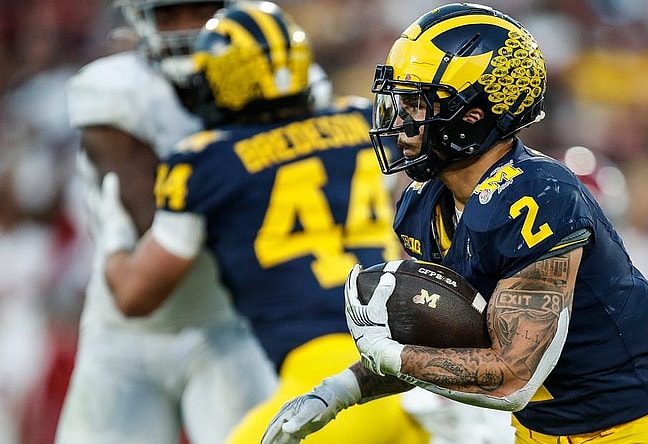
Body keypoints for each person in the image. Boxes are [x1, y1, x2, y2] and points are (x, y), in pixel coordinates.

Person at [262, 3, 648, 444]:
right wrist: (339, 391)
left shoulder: (537, 197)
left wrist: (395, 356)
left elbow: (512, 377)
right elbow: (438, 349)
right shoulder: (422, 204)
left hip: (634, 431)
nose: (399, 122)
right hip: (536, 433)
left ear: (472, 114)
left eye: (416, 103)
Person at [96, 3, 430, 444]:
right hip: (417, 365)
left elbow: (135, 295)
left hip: (330, 382)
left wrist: (113, 238)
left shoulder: (205, 161)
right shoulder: (356, 121)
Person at [55, 1, 278, 443]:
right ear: (141, 20)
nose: (188, 30)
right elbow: (151, 228)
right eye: (169, 15)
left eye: (200, 11)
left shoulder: (279, 75)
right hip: (125, 335)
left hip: (228, 323)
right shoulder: (115, 89)